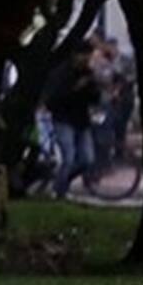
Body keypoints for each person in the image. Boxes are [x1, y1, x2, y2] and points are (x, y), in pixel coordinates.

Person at [44, 41, 101, 198]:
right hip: (63, 119)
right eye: (84, 56)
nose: (86, 60)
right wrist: (75, 89)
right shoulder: (62, 73)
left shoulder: (87, 73)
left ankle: (61, 182)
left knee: (87, 159)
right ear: (76, 55)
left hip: (81, 120)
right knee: (68, 157)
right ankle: (59, 191)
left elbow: (94, 98)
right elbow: (53, 99)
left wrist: (93, 87)